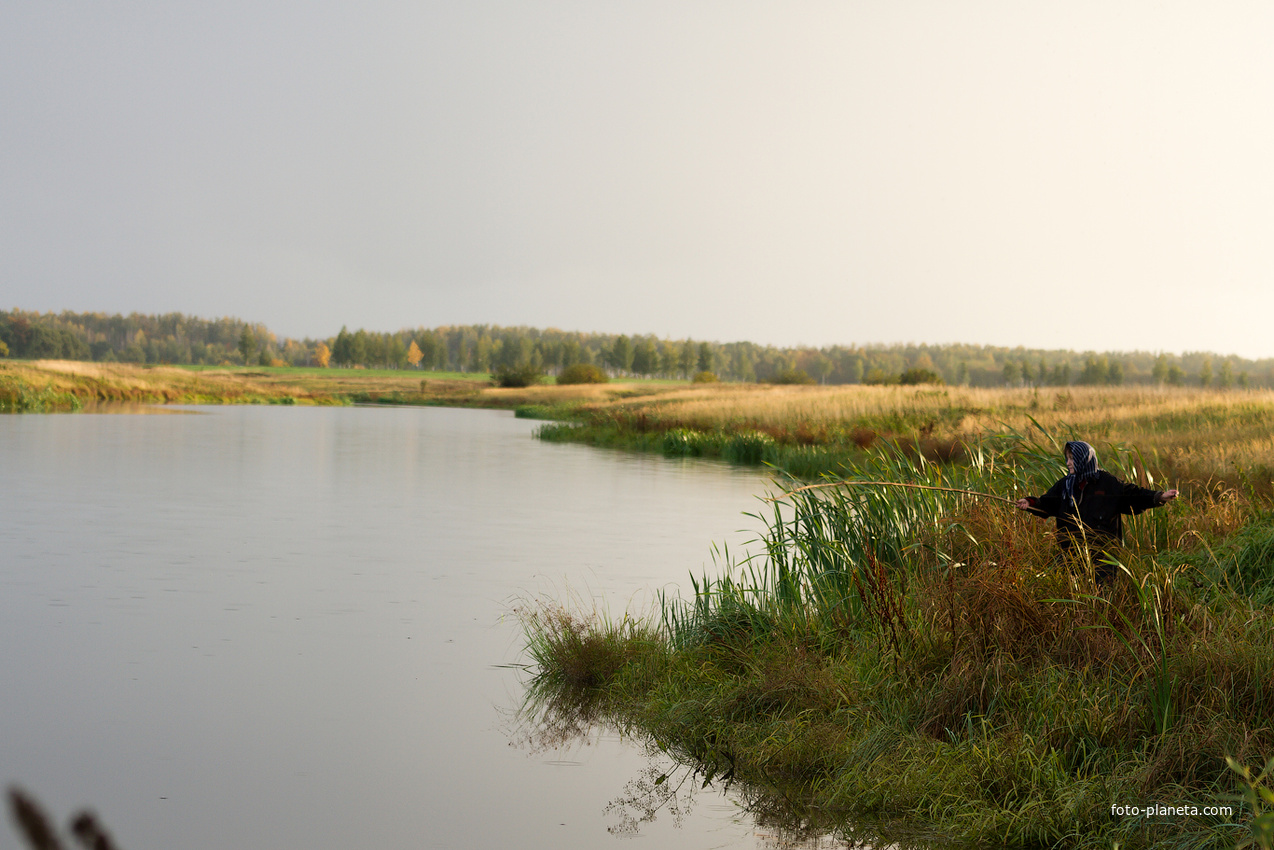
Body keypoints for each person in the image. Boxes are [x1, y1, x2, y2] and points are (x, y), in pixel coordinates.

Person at [1015, 440, 1178, 583]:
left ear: (1084, 459)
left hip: (1104, 556)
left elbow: (1132, 495)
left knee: (1103, 595)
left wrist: (1160, 497)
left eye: (1073, 458)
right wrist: (1029, 503)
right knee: (1068, 592)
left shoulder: (1107, 483)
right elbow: (1046, 504)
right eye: (1068, 458)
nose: (1068, 463)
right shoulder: (1065, 485)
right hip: (1072, 554)